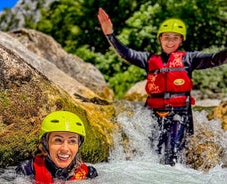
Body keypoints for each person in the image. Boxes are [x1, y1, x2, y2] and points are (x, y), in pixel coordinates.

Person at [97, 7, 227, 166]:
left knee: (172, 155)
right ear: (160, 39)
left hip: (179, 114)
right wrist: (110, 35)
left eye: (175, 38)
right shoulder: (149, 59)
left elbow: (216, 58)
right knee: (153, 154)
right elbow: (126, 53)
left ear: (181, 41)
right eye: (166, 37)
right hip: (153, 113)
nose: (170, 42)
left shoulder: (189, 59)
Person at [16, 110, 98, 183]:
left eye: (72, 141)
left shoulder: (89, 174)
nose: (65, 149)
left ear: (78, 145)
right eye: (58, 140)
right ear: (46, 143)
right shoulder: (27, 170)